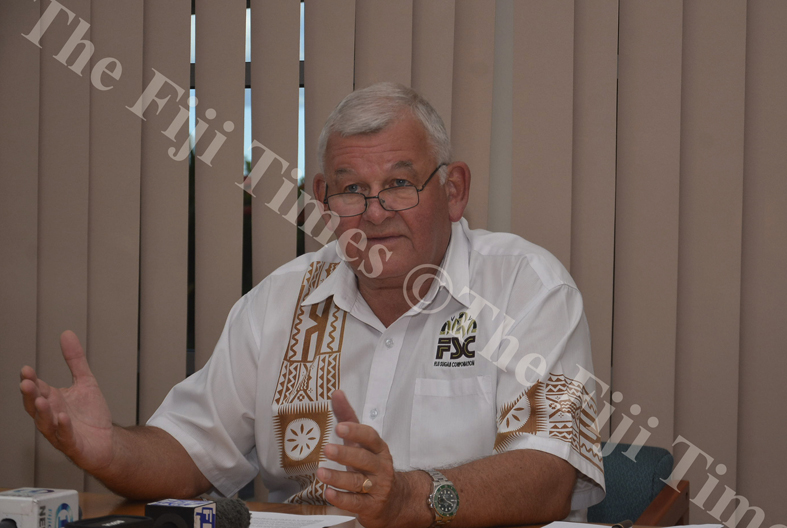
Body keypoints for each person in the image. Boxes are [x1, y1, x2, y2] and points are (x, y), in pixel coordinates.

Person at [20, 82, 605, 528]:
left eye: (401, 184)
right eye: (353, 189)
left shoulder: (528, 288)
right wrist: (105, 448)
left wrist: (405, 496)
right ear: (325, 200)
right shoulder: (278, 303)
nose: (375, 213)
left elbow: (549, 472)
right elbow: (189, 452)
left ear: (452, 192)